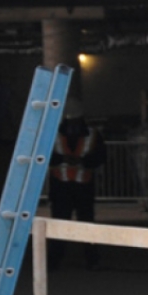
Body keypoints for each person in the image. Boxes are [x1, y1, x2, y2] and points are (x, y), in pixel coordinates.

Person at [48, 96, 107, 270]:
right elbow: (44, 157)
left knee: (86, 225)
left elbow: (100, 157)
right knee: (59, 225)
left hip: (83, 187)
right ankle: (55, 260)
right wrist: (63, 159)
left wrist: (82, 162)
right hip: (62, 188)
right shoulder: (53, 134)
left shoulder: (93, 135)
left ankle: (92, 259)